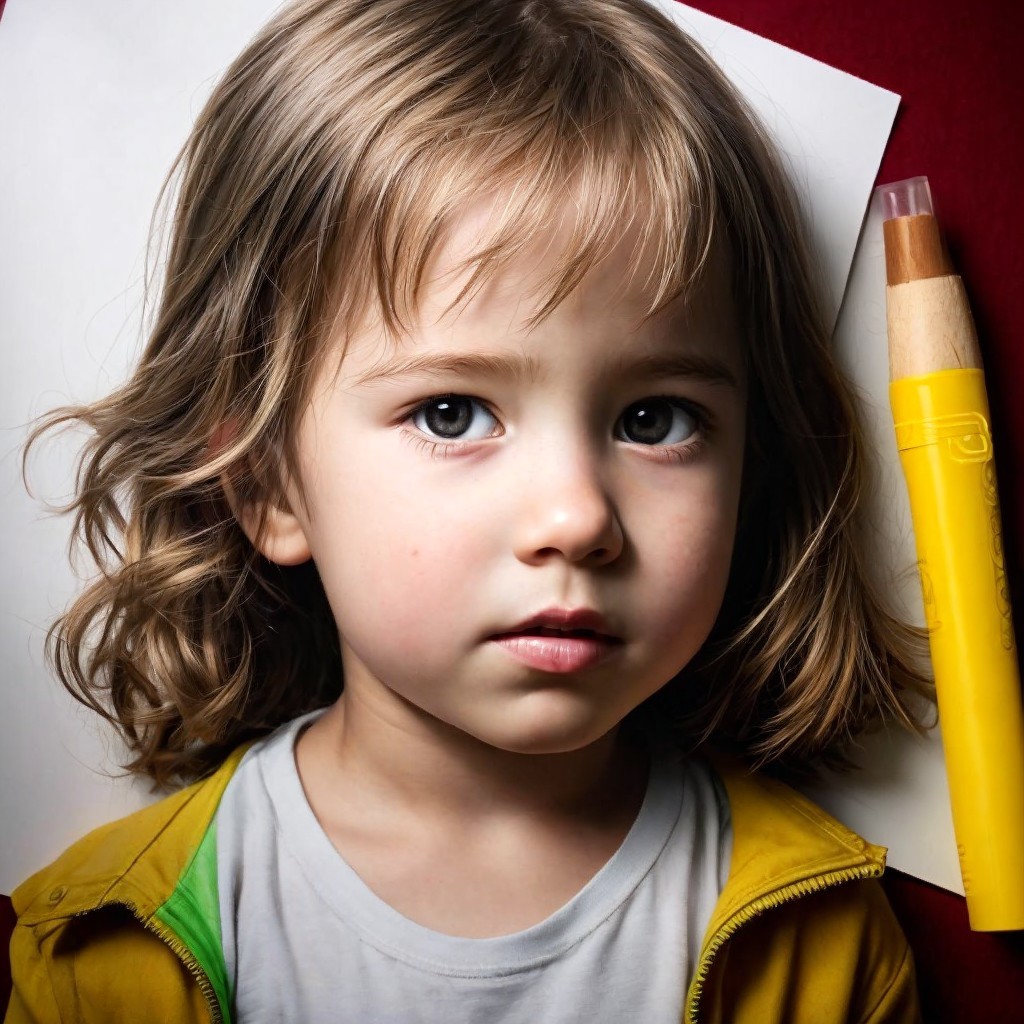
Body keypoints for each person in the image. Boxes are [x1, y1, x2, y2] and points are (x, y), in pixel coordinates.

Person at [7, 1, 933, 1021]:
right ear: (265, 481)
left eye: (655, 418)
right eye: (453, 412)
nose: (577, 518)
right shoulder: (106, 953)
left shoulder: (816, 943)